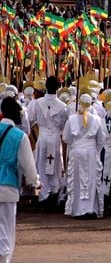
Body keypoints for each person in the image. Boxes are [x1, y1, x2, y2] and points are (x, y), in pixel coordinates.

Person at [0, 97, 40, 263]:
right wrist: (35, 183)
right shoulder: (19, 136)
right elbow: (29, 166)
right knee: (6, 233)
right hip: (8, 187)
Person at [27, 76, 68, 209]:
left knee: (41, 165)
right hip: (55, 137)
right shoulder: (63, 106)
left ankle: (42, 195)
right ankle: (54, 194)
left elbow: (31, 119)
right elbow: (63, 126)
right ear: (58, 88)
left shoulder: (37, 103)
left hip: (43, 136)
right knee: (55, 165)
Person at [62, 93, 105, 219]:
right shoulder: (96, 119)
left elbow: (66, 138)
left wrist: (77, 145)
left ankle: (77, 209)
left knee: (76, 179)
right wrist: (92, 148)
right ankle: (90, 208)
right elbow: (101, 140)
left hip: (77, 151)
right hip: (91, 152)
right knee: (91, 180)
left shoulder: (72, 119)